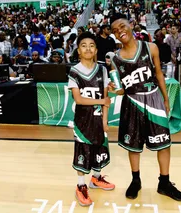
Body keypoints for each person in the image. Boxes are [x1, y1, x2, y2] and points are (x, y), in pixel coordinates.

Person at [110, 14, 181, 201]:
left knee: (163, 143)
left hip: (153, 100)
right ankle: (136, 180)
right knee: (133, 145)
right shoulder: (115, 59)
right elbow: (121, 89)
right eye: (114, 30)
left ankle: (165, 183)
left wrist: (166, 100)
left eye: (122, 26)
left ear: (131, 25)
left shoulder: (150, 47)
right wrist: (114, 91)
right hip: (132, 103)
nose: (119, 31)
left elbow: (159, 74)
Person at [68, 32, 115, 207]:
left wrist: (105, 120)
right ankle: (81, 185)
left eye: (91, 45)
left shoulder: (102, 69)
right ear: (78, 51)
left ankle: (95, 180)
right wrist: (102, 101)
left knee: (99, 150)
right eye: (83, 45)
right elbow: (78, 99)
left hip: (98, 119)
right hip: (82, 121)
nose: (88, 48)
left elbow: (106, 97)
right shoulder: (74, 70)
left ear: (96, 50)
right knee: (83, 153)